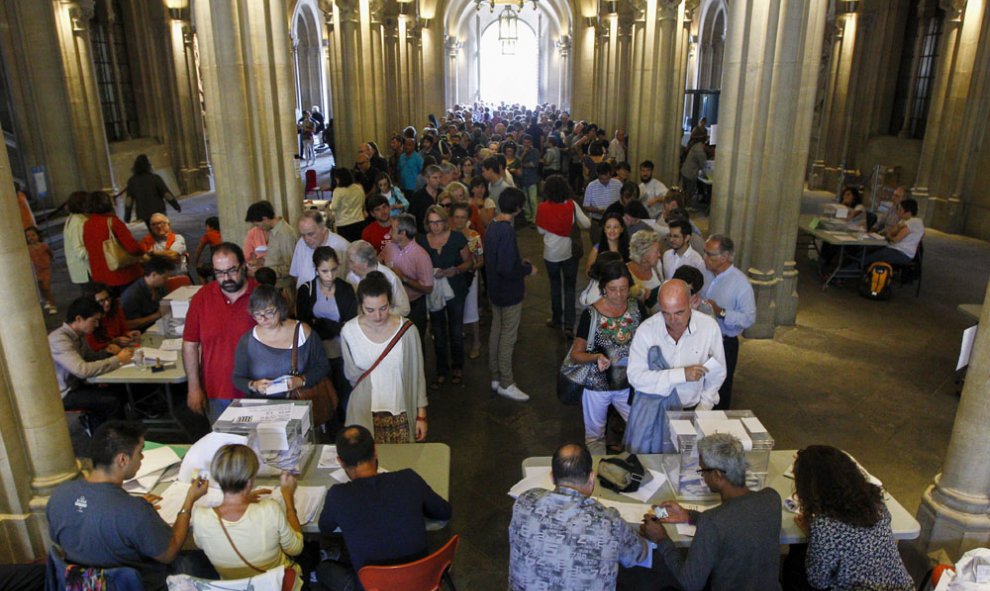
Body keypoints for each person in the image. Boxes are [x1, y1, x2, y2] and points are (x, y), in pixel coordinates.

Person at [46, 421, 209, 591]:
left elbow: (69, 532)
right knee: (199, 561)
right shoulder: (134, 511)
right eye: (140, 451)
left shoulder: (59, 494)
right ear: (122, 459)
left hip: (83, 583)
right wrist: (188, 501)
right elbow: (170, 552)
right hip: (134, 585)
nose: (142, 457)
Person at [637, 433, 782, 591]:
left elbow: (690, 583)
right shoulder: (771, 498)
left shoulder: (712, 521)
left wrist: (662, 539)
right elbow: (736, 524)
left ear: (717, 475)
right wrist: (689, 516)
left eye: (702, 471)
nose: (702, 477)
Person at [316, 425, 451, 589]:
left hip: (372, 586)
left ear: (340, 462)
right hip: (421, 581)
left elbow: (325, 527)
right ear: (375, 451)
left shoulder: (337, 496)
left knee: (323, 569)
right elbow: (444, 511)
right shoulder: (409, 479)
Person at [509, 443, 647, 591]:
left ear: (552, 477)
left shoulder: (526, 500)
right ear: (592, 477)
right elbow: (638, 554)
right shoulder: (609, 521)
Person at [786, 445, 914, 591]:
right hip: (902, 587)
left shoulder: (825, 526)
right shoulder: (875, 503)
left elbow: (818, 581)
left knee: (796, 560)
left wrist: (812, 536)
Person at [625, 280, 726, 453]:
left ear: (691, 303)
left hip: (691, 411)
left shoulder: (709, 328)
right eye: (666, 313)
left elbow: (717, 371)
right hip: (653, 414)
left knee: (686, 466)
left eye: (679, 312)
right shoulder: (647, 330)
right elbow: (636, 377)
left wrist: (703, 408)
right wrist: (682, 375)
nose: (672, 320)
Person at [192, 444, 304, 584]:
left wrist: (243, 498)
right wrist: (288, 499)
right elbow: (296, 548)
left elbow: (202, 544)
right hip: (274, 585)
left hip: (235, 587)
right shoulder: (270, 509)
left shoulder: (200, 517)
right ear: (250, 480)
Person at [340, 272, 428, 442]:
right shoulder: (349, 332)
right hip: (364, 412)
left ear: (390, 302)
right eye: (370, 310)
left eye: (384, 308)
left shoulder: (407, 331)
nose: (378, 316)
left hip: (401, 411)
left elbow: (418, 376)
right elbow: (351, 375)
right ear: (361, 306)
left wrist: (421, 416)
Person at [569, 262, 646, 454]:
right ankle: (597, 473)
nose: (619, 295)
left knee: (642, 428)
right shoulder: (591, 314)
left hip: (630, 384)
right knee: (595, 438)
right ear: (603, 288)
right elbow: (576, 354)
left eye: (624, 289)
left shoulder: (637, 309)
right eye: (613, 289)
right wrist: (596, 357)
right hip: (597, 386)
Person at [183, 243, 258, 421]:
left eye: (232, 270)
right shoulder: (202, 298)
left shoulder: (262, 295)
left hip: (258, 390)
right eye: (219, 273)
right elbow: (190, 345)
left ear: (244, 265)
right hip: (217, 391)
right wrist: (194, 387)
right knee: (225, 446)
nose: (226, 278)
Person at [232, 285, 330, 399]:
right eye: (257, 314)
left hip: (299, 402)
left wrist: (301, 381)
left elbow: (323, 366)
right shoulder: (248, 340)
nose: (263, 319)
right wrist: (254, 385)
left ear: (280, 308)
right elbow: (237, 378)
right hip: (263, 407)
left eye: (269, 312)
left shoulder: (303, 332)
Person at [49, 298, 132, 432]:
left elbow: (89, 357)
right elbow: (82, 370)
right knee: (112, 401)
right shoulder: (59, 340)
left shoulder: (79, 335)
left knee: (120, 389)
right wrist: (117, 359)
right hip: (64, 392)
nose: (97, 325)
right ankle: (115, 441)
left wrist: (107, 352)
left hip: (76, 384)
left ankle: (104, 427)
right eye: (94, 321)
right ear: (79, 319)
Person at [485, 188, 536, 402]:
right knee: (508, 337)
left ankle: (495, 377)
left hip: (494, 289)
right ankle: (506, 382)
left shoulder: (493, 226)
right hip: (508, 291)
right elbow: (506, 267)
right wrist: (527, 270)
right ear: (516, 208)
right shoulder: (506, 231)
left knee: (496, 331)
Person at [296, 247, 357, 416]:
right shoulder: (306, 291)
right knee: (325, 398)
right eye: (324, 271)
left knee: (345, 396)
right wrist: (335, 326)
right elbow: (304, 326)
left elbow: (351, 324)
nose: (330, 276)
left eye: (333, 270)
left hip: (342, 352)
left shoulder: (345, 289)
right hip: (317, 355)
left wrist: (321, 324)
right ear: (316, 270)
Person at [419, 205, 472, 387]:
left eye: (439, 222)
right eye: (432, 223)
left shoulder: (457, 238)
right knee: (438, 332)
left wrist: (455, 270)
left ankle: (458, 367)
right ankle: (442, 369)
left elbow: (469, 262)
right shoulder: (422, 241)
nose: (435, 226)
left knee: (456, 331)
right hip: (434, 292)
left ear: (444, 221)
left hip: (455, 289)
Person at [701, 235, 755, 410]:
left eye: (710, 254)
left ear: (724, 257)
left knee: (719, 389)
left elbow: (748, 318)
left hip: (724, 343)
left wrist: (721, 312)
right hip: (702, 339)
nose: (705, 258)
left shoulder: (740, 283)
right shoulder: (706, 273)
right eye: (704, 252)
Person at [537, 174, 590, 337]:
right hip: (569, 253)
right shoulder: (571, 205)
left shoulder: (542, 207)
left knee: (554, 286)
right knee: (570, 287)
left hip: (551, 253)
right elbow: (587, 223)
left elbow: (540, 230)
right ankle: (569, 325)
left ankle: (556, 318)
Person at [382, 214, 434, 339]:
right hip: (393, 304)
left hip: (414, 306)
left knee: (415, 341)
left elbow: (428, 288)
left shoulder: (421, 255)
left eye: (393, 229)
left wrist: (403, 278)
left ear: (403, 233)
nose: (389, 232)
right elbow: (379, 260)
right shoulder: (389, 246)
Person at [83, 190, 146, 291]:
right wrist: (144, 250)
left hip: (100, 275)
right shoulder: (113, 222)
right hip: (122, 274)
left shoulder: (87, 224)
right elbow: (133, 248)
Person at [449, 202, 484, 359]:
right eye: (457, 217)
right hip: (452, 277)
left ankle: (476, 342)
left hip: (469, 277)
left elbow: (481, 259)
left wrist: (471, 268)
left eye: (463, 217)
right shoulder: (448, 234)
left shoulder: (473, 236)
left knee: (471, 308)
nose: (459, 220)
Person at [345, 240, 411, 316]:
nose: (349, 266)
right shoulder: (351, 277)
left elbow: (404, 309)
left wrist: (376, 315)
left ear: (365, 264)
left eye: (351, 262)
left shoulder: (390, 277)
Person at [289, 210, 350, 289]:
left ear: (323, 229)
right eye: (303, 235)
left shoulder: (342, 246)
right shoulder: (301, 243)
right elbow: (296, 275)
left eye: (311, 234)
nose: (306, 239)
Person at [243, 200, 298, 285]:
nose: (258, 228)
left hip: (284, 286)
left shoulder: (285, 233)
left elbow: (291, 267)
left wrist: (261, 271)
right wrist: (260, 261)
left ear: (265, 219)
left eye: (258, 225)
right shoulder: (272, 231)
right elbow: (276, 258)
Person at [122, 155, 182, 226]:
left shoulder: (132, 181)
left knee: (152, 229)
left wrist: (127, 215)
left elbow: (129, 200)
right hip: (159, 210)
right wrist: (175, 205)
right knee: (163, 229)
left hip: (144, 213)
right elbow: (166, 194)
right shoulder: (155, 178)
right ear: (148, 165)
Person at [864, 198, 925, 267]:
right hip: (895, 249)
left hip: (901, 253)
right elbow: (892, 231)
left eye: (900, 210)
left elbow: (896, 239)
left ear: (908, 212)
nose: (898, 212)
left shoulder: (913, 222)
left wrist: (889, 235)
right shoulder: (904, 221)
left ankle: (854, 270)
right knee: (869, 251)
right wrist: (897, 228)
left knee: (870, 257)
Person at [120, 255, 174, 330]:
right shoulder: (132, 295)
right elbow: (127, 324)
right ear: (153, 275)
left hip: (161, 325)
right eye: (164, 277)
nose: (166, 280)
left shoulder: (159, 287)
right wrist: (157, 315)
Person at [85, 283, 142, 351]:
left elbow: (123, 329)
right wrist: (112, 342)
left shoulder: (115, 307)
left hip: (122, 348)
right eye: (101, 301)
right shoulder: (90, 320)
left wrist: (128, 335)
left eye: (108, 298)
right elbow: (94, 349)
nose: (107, 303)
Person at [583, 162, 623, 244]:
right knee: (597, 246)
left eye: (607, 178)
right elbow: (586, 206)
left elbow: (622, 202)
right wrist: (597, 210)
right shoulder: (591, 186)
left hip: (615, 221)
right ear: (597, 174)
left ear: (611, 174)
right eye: (602, 179)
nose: (605, 181)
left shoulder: (618, 184)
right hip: (597, 222)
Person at [627, 230, 664, 315]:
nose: (659, 255)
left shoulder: (658, 266)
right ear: (643, 256)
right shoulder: (625, 273)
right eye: (656, 252)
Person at [662, 219, 707, 285]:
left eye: (676, 236)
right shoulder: (666, 255)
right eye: (670, 235)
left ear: (687, 238)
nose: (671, 240)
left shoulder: (696, 261)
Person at [586, 212, 631, 276]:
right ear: (604, 229)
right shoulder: (596, 250)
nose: (612, 230)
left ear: (622, 229)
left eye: (615, 227)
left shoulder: (629, 249)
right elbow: (588, 273)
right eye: (608, 227)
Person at [330, 167, 367, 242]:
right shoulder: (359, 187)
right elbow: (363, 201)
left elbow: (334, 207)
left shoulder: (338, 191)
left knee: (347, 248)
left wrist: (329, 206)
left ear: (338, 179)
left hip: (344, 224)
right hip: (359, 221)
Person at [25, 226, 56, 314]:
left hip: (46, 269)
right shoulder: (28, 248)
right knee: (41, 287)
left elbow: (50, 254)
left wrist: (49, 261)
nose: (31, 238)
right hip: (36, 271)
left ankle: (52, 304)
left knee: (46, 287)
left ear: (38, 235)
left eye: (33, 235)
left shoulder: (44, 246)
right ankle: (47, 300)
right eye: (28, 236)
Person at [63, 190, 91, 288]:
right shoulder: (79, 223)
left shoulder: (73, 219)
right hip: (85, 270)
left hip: (81, 270)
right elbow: (80, 250)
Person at [409, 164, 443, 234]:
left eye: (440, 177)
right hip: (423, 234)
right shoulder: (417, 197)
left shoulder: (443, 194)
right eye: (435, 178)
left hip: (441, 233)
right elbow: (412, 218)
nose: (439, 180)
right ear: (427, 179)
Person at [680, 130, 708, 208]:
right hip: (691, 173)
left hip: (685, 171)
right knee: (689, 191)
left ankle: (684, 206)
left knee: (685, 191)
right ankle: (688, 207)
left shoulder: (694, 146)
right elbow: (703, 165)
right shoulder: (700, 150)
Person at [519, 134, 542, 223]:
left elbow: (534, 164)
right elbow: (517, 162)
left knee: (533, 199)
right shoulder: (520, 151)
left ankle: (535, 217)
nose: (526, 144)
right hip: (523, 179)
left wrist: (523, 165)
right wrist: (524, 153)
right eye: (524, 142)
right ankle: (528, 216)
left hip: (532, 179)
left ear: (531, 143)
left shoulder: (535, 151)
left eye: (528, 142)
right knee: (525, 200)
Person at [192, 216, 222, 282]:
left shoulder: (208, 235)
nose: (206, 228)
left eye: (207, 226)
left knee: (200, 270)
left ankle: (205, 289)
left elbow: (199, 249)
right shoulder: (224, 233)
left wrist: (196, 262)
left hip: (216, 267)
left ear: (211, 227)